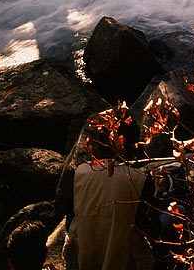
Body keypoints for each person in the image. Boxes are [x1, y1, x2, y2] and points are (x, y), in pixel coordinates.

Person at [63, 111, 154, 270]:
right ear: (130, 144)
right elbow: (150, 228)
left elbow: (69, 221)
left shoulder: (80, 173)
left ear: (99, 143)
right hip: (124, 263)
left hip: (83, 261)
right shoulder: (139, 179)